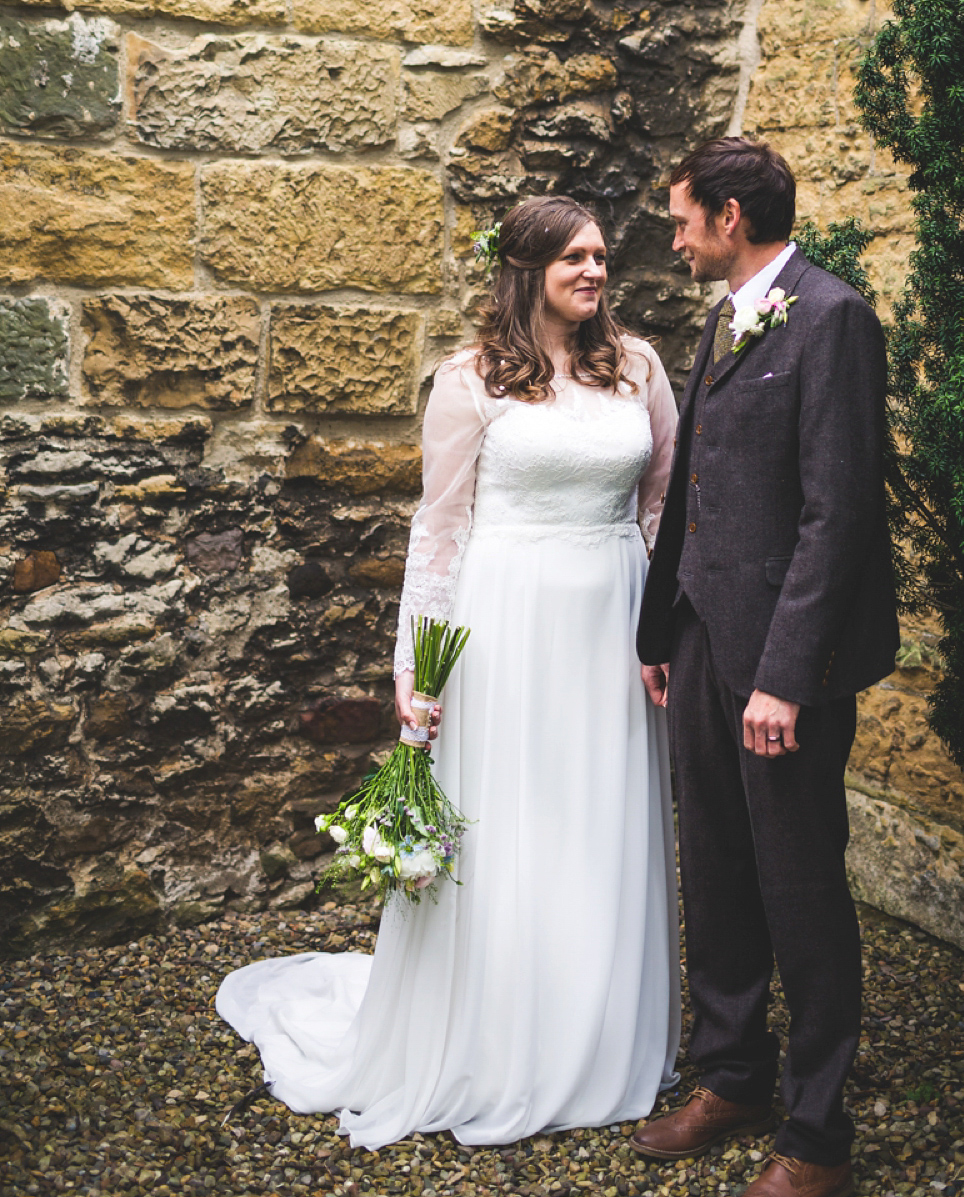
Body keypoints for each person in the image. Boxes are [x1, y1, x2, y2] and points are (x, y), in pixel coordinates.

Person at [217, 195, 681, 1146]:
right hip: (504, 620)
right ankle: (497, 1037)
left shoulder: (637, 366)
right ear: (527, 271)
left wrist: (663, 629)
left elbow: (663, 506)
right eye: (574, 259)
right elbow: (439, 529)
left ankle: (596, 1031)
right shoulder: (471, 379)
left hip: (614, 614)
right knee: (512, 821)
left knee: (601, 817)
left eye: (600, 257)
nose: (595, 272)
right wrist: (415, 667)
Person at [632, 138, 898, 1197]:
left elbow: (839, 518)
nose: (677, 236)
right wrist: (663, 631)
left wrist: (785, 678)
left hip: (784, 668)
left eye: (686, 218)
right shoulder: (725, 315)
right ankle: (733, 1076)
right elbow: (698, 489)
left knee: (799, 887)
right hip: (701, 641)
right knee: (720, 870)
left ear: (732, 216)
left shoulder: (832, 317)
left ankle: (817, 1135)